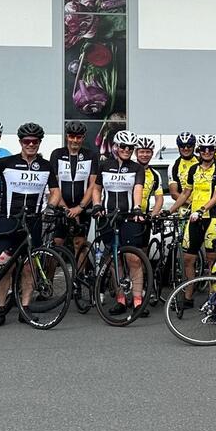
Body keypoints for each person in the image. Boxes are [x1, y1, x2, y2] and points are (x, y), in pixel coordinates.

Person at [0, 122, 53, 326]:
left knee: (29, 267)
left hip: (34, 222)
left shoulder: (46, 166)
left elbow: (55, 191)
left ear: (39, 143)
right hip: (8, 221)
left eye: (34, 141)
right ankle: (1, 309)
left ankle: (25, 309)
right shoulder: (6, 162)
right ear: (20, 142)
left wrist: (52, 207)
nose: (30, 144)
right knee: (5, 267)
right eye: (26, 141)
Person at [98, 130, 151, 317]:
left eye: (130, 147)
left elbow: (138, 188)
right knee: (115, 260)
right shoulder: (104, 165)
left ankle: (137, 300)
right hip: (108, 218)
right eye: (123, 146)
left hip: (129, 217)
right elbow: (97, 188)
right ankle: (120, 299)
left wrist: (137, 207)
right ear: (116, 147)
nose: (127, 150)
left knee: (134, 259)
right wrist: (97, 205)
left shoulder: (137, 168)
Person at [177, 134, 216, 301]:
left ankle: (213, 298)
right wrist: (169, 211)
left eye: (210, 149)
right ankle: (188, 296)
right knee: (188, 258)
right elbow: (185, 193)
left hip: (214, 218)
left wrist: (201, 210)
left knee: (212, 260)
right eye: (203, 149)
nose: (207, 152)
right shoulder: (193, 169)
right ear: (199, 150)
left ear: (215, 150)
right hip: (195, 218)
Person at [49, 121, 101, 264]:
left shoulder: (91, 155)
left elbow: (93, 185)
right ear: (67, 137)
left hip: (82, 207)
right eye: (72, 136)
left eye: (79, 137)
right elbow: (53, 185)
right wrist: (66, 209)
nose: (75, 140)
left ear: (83, 138)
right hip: (61, 207)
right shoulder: (57, 154)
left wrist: (80, 208)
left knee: (80, 244)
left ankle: (77, 281)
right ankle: (49, 284)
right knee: (56, 244)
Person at [168, 132, 198, 202]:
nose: (186, 148)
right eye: (182, 146)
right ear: (178, 147)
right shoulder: (173, 166)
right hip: (185, 206)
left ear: (194, 146)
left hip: (204, 205)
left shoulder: (201, 161)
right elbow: (174, 193)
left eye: (189, 145)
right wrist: (191, 204)